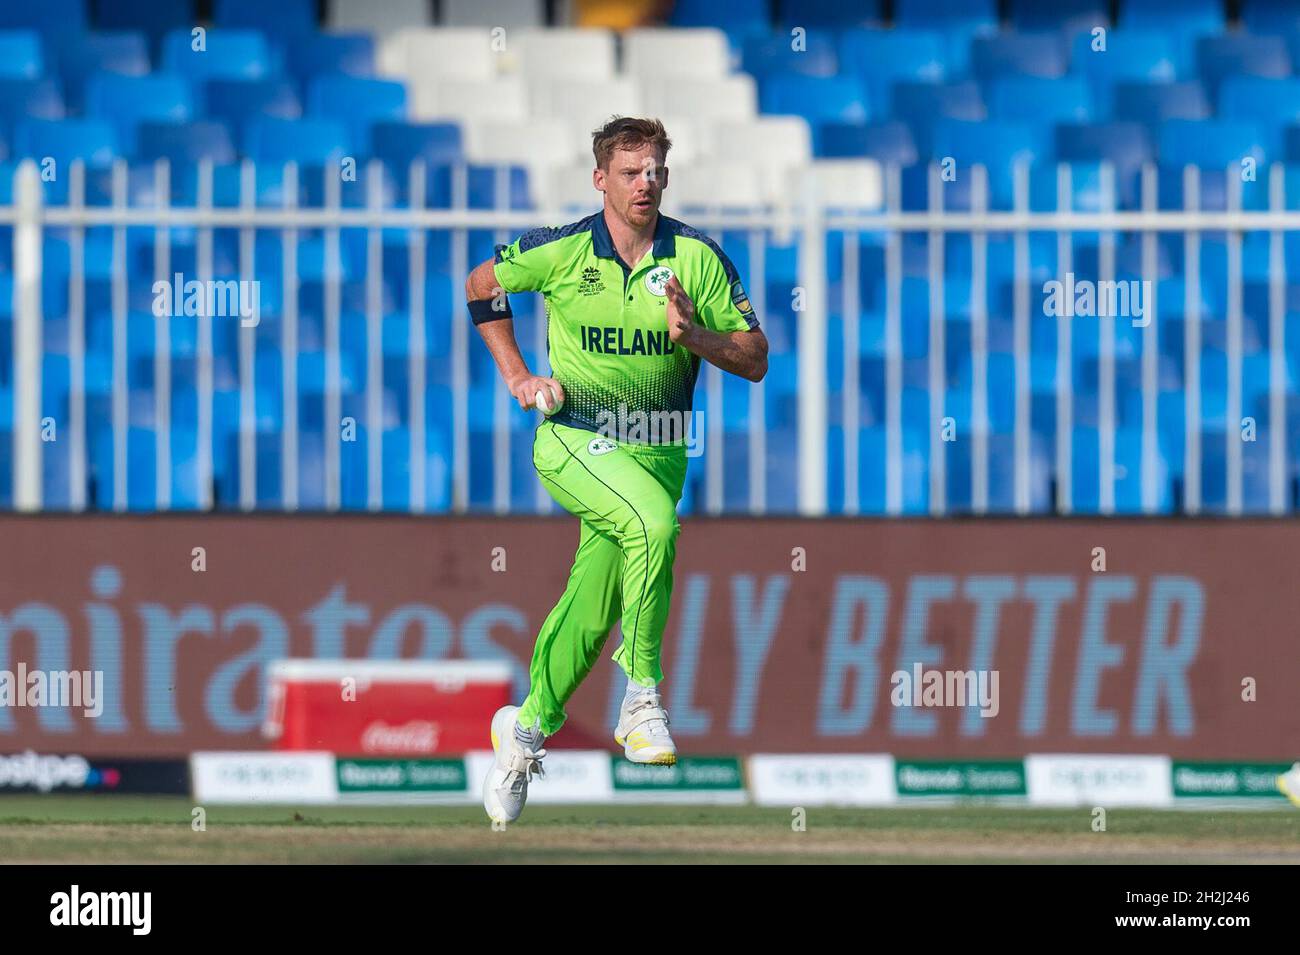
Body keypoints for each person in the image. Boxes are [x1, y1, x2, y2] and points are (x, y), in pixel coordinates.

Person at [464, 116, 768, 824]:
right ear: (600, 178)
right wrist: (517, 374)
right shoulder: (566, 251)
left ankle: (524, 733)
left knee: (594, 608)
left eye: (656, 169)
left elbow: (755, 358)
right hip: (572, 438)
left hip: (659, 451)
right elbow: (483, 283)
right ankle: (642, 699)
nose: (646, 183)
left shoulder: (697, 258)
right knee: (653, 524)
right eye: (631, 172)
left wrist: (696, 336)